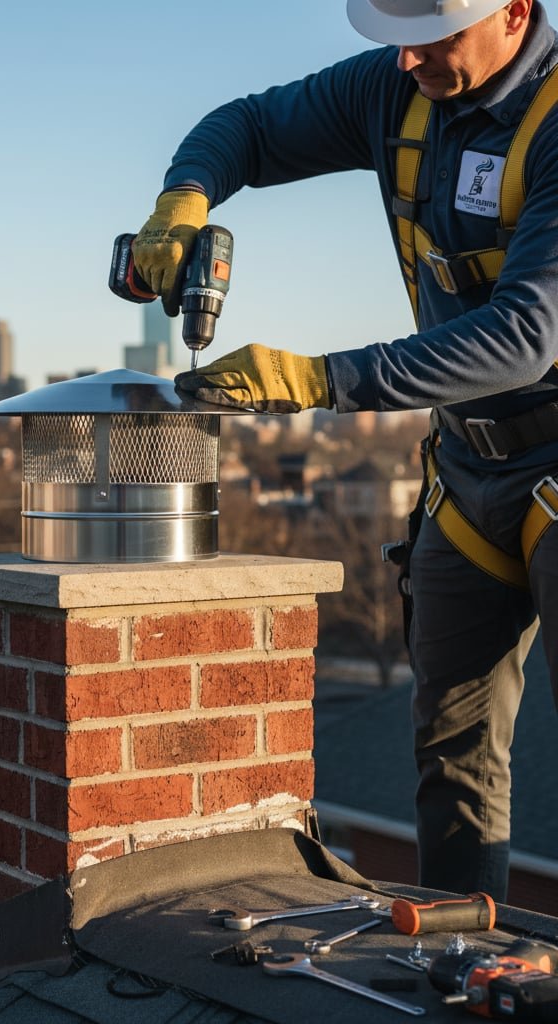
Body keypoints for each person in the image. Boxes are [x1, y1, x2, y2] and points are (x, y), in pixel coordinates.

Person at [130, 0, 558, 903]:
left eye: (435, 39)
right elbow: (244, 126)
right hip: (468, 472)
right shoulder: (396, 90)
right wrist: (186, 195)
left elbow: (523, 336)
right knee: (453, 756)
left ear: (516, 10)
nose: (407, 62)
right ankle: (461, 961)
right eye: (397, 41)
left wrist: (317, 381)